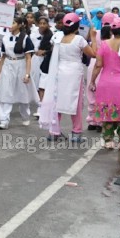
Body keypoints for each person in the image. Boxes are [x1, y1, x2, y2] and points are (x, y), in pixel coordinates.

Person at [40, 12, 98, 141]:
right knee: (76, 102)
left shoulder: (57, 38)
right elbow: (93, 54)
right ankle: (76, 132)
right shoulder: (79, 40)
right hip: (74, 73)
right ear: (77, 27)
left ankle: (54, 131)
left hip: (59, 72)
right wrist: (93, 37)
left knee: (57, 101)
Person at [89, 14, 120, 150]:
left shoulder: (104, 44)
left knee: (107, 111)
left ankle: (108, 140)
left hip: (106, 82)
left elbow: (98, 65)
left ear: (111, 31)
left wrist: (92, 81)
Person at [0, 16, 35, 129]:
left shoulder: (25, 38)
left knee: (23, 93)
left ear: (19, 25)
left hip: (21, 64)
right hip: (8, 65)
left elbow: (28, 58)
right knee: (5, 92)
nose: (10, 25)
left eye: (13, 23)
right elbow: (2, 56)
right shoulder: (5, 38)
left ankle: (25, 116)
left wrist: (27, 74)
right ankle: (4, 120)